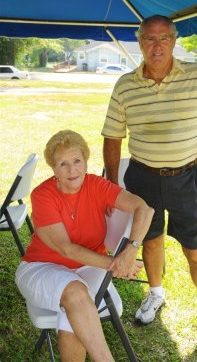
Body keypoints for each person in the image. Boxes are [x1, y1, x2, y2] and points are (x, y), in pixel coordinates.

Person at [101, 15, 197, 349]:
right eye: (149, 39)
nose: (156, 47)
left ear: (173, 41)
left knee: (194, 250)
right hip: (142, 177)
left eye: (163, 39)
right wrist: (112, 185)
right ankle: (155, 294)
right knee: (151, 240)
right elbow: (112, 138)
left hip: (187, 178)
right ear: (140, 42)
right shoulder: (125, 85)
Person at [15, 129, 154, 362]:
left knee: (75, 316)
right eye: (63, 164)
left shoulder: (97, 185)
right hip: (41, 267)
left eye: (77, 161)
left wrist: (131, 250)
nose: (72, 170)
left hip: (89, 267)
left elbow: (145, 209)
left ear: (86, 161)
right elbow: (66, 249)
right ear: (53, 168)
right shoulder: (42, 195)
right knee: (76, 294)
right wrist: (116, 264)